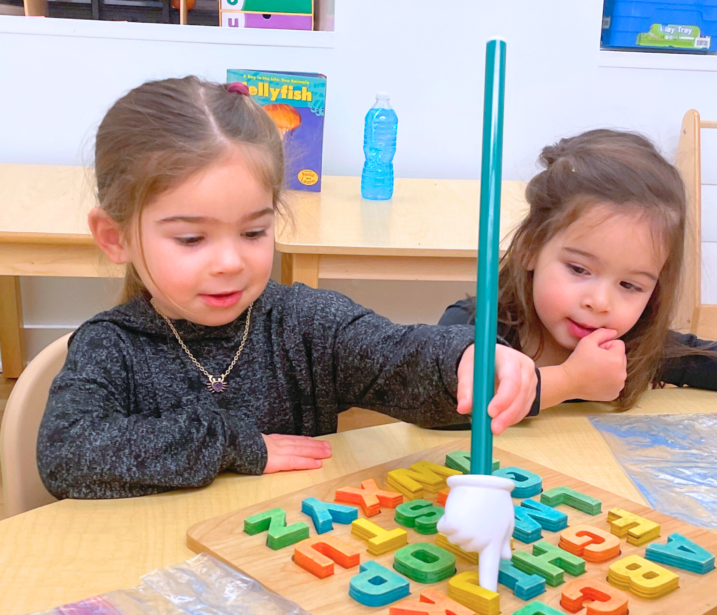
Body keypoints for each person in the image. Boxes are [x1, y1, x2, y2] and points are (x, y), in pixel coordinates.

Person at [37, 77, 537, 500]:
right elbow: (66, 454)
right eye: (191, 239)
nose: (230, 263)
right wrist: (236, 445)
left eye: (253, 232)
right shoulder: (111, 346)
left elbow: (397, 357)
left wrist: (465, 359)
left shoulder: (305, 324)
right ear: (115, 237)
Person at [440, 129, 717, 413]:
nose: (599, 302)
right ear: (530, 248)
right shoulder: (472, 325)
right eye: (579, 269)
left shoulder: (639, 346)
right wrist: (569, 381)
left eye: (629, 285)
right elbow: (443, 398)